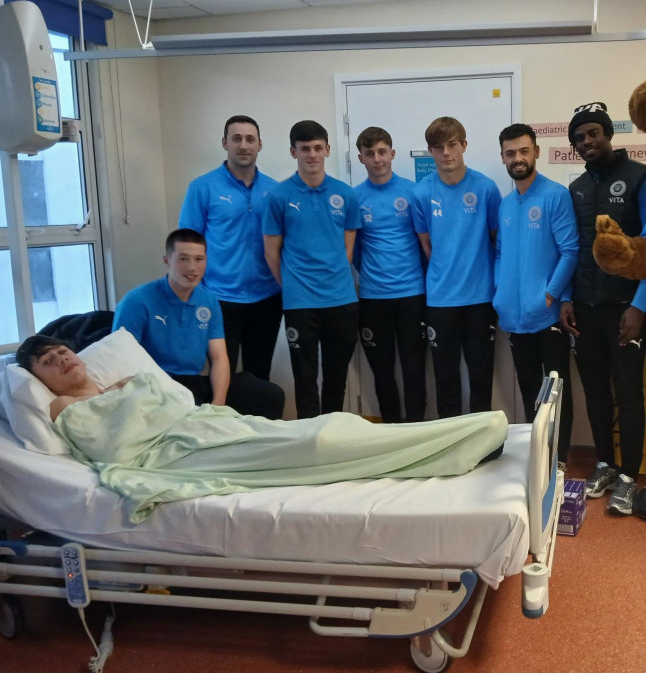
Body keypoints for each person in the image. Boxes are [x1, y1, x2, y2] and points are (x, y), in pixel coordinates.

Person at [16, 336, 508, 525]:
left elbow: (182, 401)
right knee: (321, 441)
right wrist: (134, 401)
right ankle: (462, 441)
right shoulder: (64, 406)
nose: (62, 359)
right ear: (39, 376)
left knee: (333, 425)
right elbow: (115, 443)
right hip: (178, 455)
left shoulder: (124, 382)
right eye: (47, 360)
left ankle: (468, 434)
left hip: (209, 428)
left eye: (63, 351)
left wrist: (137, 393)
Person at [560, 102, 646, 515]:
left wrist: (639, 307)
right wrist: (566, 299)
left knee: (629, 395)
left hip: (625, 309)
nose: (587, 142)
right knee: (597, 393)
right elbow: (574, 249)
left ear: (607, 134)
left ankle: (629, 476)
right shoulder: (577, 188)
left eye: (593, 134)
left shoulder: (642, 179)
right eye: (579, 138)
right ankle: (604, 464)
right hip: (585, 309)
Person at [112, 229, 285, 419]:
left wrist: (218, 405)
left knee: (270, 395)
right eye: (183, 259)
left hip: (194, 382)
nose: (192, 268)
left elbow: (219, 358)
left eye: (199, 259)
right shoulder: (137, 301)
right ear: (167, 260)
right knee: (191, 412)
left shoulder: (208, 300)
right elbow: (122, 360)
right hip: (155, 386)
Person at [262, 120, 361, 419]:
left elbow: (347, 250)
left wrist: (328, 279)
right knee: (305, 380)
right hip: (300, 304)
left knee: (336, 378)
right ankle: (309, 441)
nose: (312, 155)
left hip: (341, 301)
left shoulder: (346, 194)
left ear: (328, 150)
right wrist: (293, 284)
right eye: (305, 149)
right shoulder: (279, 197)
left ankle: (333, 437)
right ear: (294, 152)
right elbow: (271, 253)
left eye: (318, 148)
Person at [493, 123, 578, 464]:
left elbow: (570, 250)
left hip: (547, 316)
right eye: (511, 153)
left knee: (557, 392)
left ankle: (559, 459)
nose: (518, 158)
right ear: (503, 157)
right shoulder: (505, 204)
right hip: (514, 318)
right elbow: (499, 253)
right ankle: (538, 457)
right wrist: (499, 293)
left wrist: (550, 295)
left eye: (524, 151)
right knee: (529, 390)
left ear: (536, 152)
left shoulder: (555, 195)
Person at [178, 115, 283, 382]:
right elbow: (188, 245)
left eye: (250, 139)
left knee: (259, 378)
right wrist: (194, 293)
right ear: (225, 143)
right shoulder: (203, 187)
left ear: (260, 145)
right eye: (236, 139)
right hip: (219, 299)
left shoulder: (275, 191)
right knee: (219, 379)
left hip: (266, 300)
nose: (243, 145)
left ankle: (257, 425)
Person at [411, 117, 501, 418]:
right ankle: (450, 444)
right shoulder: (421, 193)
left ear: (464, 145)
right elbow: (426, 244)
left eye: (452, 145)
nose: (446, 152)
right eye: (438, 147)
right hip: (440, 300)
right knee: (445, 379)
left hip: (480, 299)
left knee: (481, 377)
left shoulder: (486, 188)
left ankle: (483, 444)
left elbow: (494, 238)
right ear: (430, 151)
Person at [353, 127, 426, 423]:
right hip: (372, 298)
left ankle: (416, 432)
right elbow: (354, 249)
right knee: (382, 372)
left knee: (414, 370)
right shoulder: (354, 197)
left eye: (382, 152)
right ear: (361, 158)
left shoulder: (413, 192)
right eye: (370, 154)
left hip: (412, 296)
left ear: (392, 154)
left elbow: (425, 244)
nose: (377, 159)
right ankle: (392, 435)